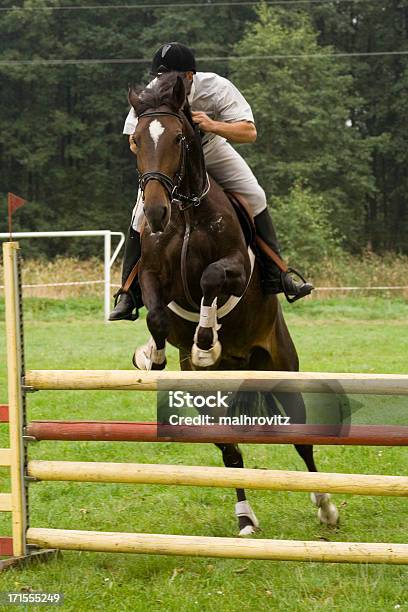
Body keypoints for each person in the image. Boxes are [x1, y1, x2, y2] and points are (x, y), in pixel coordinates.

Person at [109, 42, 313, 321]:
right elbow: (134, 140)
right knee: (140, 214)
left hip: (212, 150)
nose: (165, 84)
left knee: (255, 195)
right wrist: (147, 153)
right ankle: (128, 293)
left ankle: (277, 273)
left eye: (174, 78)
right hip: (170, 159)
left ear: (191, 76)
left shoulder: (216, 87)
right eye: (161, 77)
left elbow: (249, 132)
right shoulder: (151, 93)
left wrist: (212, 125)